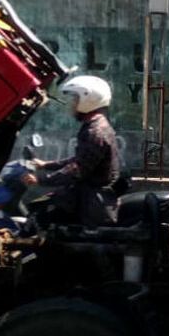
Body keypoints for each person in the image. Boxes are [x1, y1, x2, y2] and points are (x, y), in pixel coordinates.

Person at [22, 75, 120, 226]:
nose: (72, 104)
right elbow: (80, 160)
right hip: (89, 194)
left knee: (49, 219)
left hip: (92, 201)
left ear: (89, 99)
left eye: (75, 99)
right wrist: (46, 165)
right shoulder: (96, 126)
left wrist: (41, 180)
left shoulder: (95, 131)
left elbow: (78, 169)